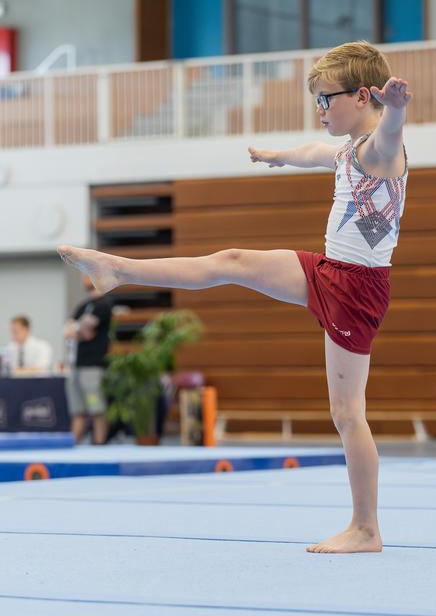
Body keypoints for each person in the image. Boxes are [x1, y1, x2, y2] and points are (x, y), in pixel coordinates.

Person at [57, 40, 411, 554]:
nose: (318, 110)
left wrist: (396, 108)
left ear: (361, 97)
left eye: (324, 100)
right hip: (330, 270)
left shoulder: (382, 146)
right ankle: (116, 269)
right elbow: (317, 154)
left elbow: (389, 136)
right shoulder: (346, 148)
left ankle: (366, 529)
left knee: (347, 413)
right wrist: (279, 156)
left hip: (357, 288)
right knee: (230, 262)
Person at [64, 275, 112, 444]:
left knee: (96, 408)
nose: (84, 278)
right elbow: (69, 332)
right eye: (82, 275)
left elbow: (85, 332)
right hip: (75, 365)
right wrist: (78, 331)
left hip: (92, 366)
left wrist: (78, 331)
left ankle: (99, 446)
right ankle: (73, 447)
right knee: (78, 411)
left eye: (87, 274)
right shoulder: (82, 306)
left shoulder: (104, 305)